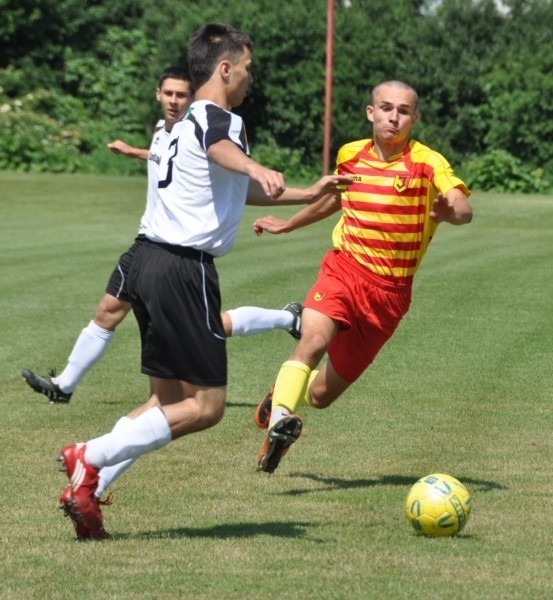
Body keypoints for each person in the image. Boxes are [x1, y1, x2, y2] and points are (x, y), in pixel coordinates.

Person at [56, 22, 353, 539]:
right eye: (247, 67)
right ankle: (89, 456)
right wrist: (257, 165)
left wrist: (307, 193)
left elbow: (231, 186)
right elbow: (224, 154)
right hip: (182, 269)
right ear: (224, 67)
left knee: (165, 401)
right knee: (207, 406)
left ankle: (89, 488)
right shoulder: (220, 119)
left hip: (146, 260)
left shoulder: (184, 119)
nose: (249, 77)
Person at [20, 65, 302, 405]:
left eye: (181, 95)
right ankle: (64, 384)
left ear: (193, 97)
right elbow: (162, 155)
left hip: (178, 253)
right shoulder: (161, 129)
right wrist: (135, 153)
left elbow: (233, 181)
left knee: (211, 328)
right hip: (146, 245)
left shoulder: (201, 131)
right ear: (157, 94)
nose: (173, 101)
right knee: (108, 310)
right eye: (168, 93)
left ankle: (288, 317)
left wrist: (300, 190)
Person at [253, 79, 473, 474]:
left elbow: (462, 205)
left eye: (403, 111)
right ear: (371, 112)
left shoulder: (427, 162)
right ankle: (280, 423)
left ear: (414, 118)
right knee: (313, 339)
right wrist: (287, 225)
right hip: (344, 269)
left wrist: (449, 211)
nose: (394, 117)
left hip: (389, 296)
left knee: (320, 395)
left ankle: (280, 396)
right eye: (386, 108)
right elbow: (336, 199)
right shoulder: (351, 155)